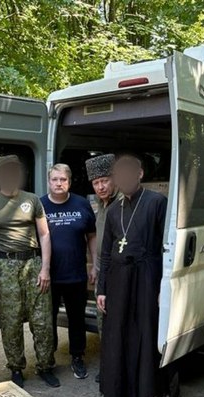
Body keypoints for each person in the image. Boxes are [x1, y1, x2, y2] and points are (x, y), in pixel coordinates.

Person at [96, 154, 179, 397]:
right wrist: (102, 289)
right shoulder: (112, 211)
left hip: (147, 277)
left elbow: (168, 249)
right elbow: (106, 254)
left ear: (139, 174)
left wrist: (163, 288)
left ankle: (152, 396)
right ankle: (117, 392)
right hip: (119, 279)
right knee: (118, 333)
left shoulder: (157, 202)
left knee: (146, 334)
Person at [0, 155, 58, 388]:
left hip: (33, 263)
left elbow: (44, 234)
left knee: (42, 320)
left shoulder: (32, 200)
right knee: (11, 321)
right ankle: (16, 368)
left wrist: (45, 268)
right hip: (5, 265)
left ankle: (45, 366)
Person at [40, 164, 96, 379]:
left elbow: (91, 235)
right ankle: (48, 358)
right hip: (48, 276)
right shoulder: (40, 205)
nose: (59, 183)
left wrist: (95, 265)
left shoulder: (81, 204)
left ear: (69, 182)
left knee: (76, 318)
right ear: (49, 181)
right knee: (48, 319)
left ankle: (77, 356)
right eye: (55, 179)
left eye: (63, 179)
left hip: (76, 274)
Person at [85, 153, 123, 382]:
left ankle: (119, 369)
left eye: (104, 181)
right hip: (103, 275)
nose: (100, 187)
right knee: (103, 323)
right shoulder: (101, 205)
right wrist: (95, 268)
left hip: (120, 275)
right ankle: (108, 366)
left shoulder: (123, 204)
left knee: (119, 324)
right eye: (96, 183)